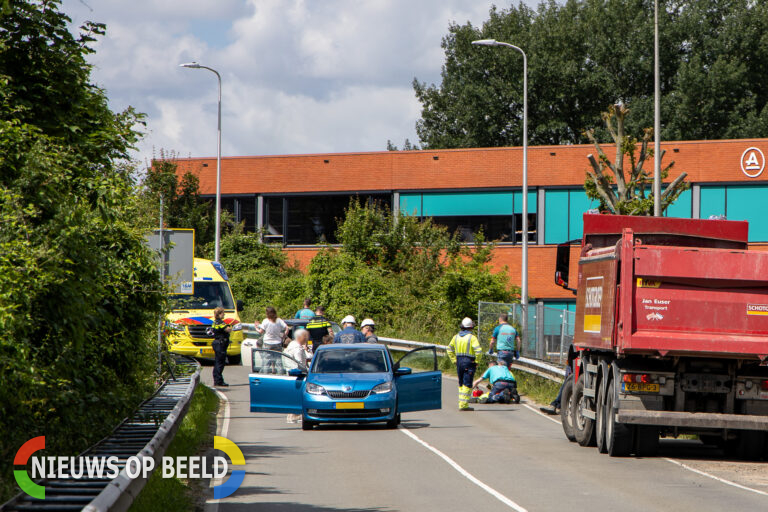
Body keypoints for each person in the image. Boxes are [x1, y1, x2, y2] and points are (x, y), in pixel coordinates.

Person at [447, 317, 483, 411]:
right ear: (471, 327)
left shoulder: (455, 337)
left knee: (461, 383)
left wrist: (454, 360)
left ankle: (461, 402)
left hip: (459, 362)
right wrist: (477, 362)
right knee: (467, 383)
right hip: (469, 362)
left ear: (462, 327)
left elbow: (449, 349)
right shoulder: (472, 338)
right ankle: (463, 405)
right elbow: (478, 351)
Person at [284, 329, 310, 424]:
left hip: (290, 373)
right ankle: (295, 416)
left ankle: (291, 416)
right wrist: (307, 371)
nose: (307, 338)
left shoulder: (292, 344)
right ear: (300, 337)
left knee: (293, 396)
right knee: (298, 395)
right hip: (296, 374)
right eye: (305, 336)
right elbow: (300, 363)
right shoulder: (297, 348)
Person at [256, 306, 288, 373]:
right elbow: (286, 328)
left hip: (267, 343)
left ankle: (265, 376)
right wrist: (284, 336)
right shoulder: (279, 320)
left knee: (266, 362)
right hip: (277, 343)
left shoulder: (265, 321)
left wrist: (256, 327)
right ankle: (280, 376)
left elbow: (260, 332)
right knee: (278, 361)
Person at [210, 307, 232, 387]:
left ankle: (217, 379)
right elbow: (228, 330)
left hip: (216, 342)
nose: (224, 314)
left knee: (217, 362)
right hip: (220, 344)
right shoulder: (220, 322)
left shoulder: (215, 322)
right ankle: (218, 380)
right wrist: (230, 326)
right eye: (223, 313)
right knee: (220, 363)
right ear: (219, 314)